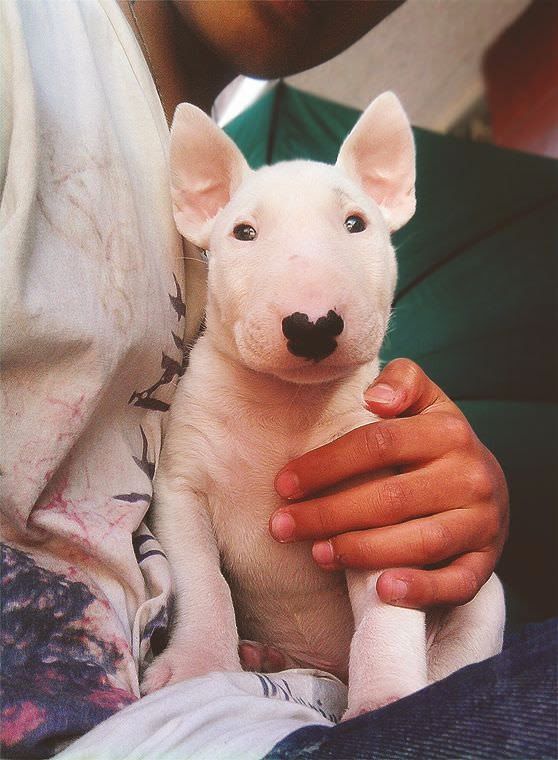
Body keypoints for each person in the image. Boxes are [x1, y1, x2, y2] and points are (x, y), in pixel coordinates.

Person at [0, 1, 553, 758]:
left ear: (390, 193)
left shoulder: (208, 268)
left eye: (355, 222)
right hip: (156, 721)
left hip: (296, 706)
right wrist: (206, 639)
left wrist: (454, 510)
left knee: (477, 605)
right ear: (201, 205)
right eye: (247, 234)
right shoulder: (26, 48)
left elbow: (386, 549)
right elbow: (184, 498)